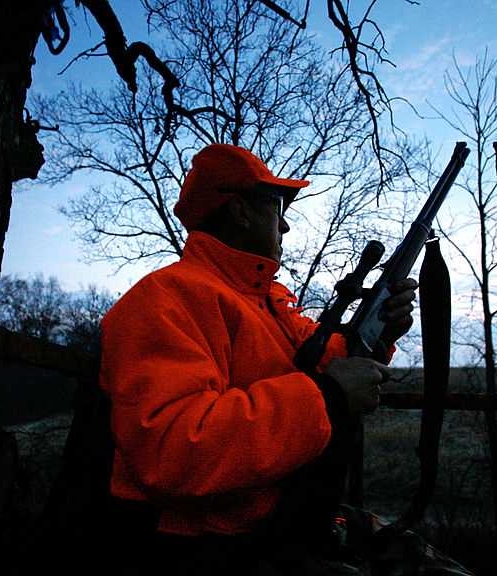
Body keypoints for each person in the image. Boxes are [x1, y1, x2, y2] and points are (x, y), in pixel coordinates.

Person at [97, 143, 418, 575]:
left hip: (280, 532)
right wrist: (328, 397)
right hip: (203, 551)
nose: (284, 225)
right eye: (276, 205)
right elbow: (173, 449)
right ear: (242, 210)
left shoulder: (265, 301)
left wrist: (380, 333)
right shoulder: (165, 299)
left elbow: (323, 360)